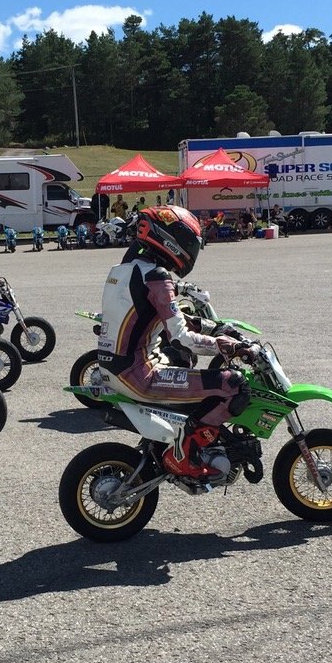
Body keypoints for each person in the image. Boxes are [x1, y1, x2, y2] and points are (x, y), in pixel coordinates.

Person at [97, 205, 251, 480]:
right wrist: (226, 345)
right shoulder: (157, 276)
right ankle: (184, 456)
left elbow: (155, 317)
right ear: (171, 240)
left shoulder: (124, 269)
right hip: (139, 375)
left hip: (114, 367)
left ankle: (171, 438)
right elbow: (182, 338)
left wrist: (213, 328)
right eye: (190, 242)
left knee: (181, 361)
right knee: (232, 385)